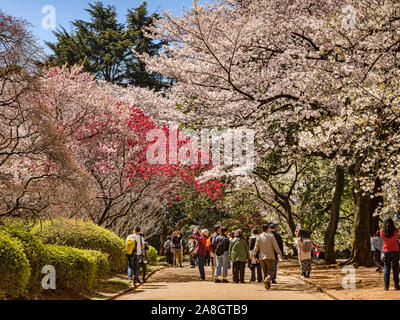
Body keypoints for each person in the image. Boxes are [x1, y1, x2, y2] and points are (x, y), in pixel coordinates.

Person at [253, 223, 282, 290]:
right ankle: (267, 280)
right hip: (270, 256)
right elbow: (275, 246)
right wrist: (279, 253)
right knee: (271, 270)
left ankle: (267, 285)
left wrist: (254, 254)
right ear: (268, 229)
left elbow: (256, 247)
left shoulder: (259, 236)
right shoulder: (271, 236)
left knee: (265, 271)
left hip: (261, 256)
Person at [380, 218, 400, 290]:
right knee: (395, 269)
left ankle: (386, 286)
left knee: (386, 269)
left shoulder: (381, 232)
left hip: (386, 251)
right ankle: (396, 285)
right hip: (395, 251)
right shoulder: (396, 232)